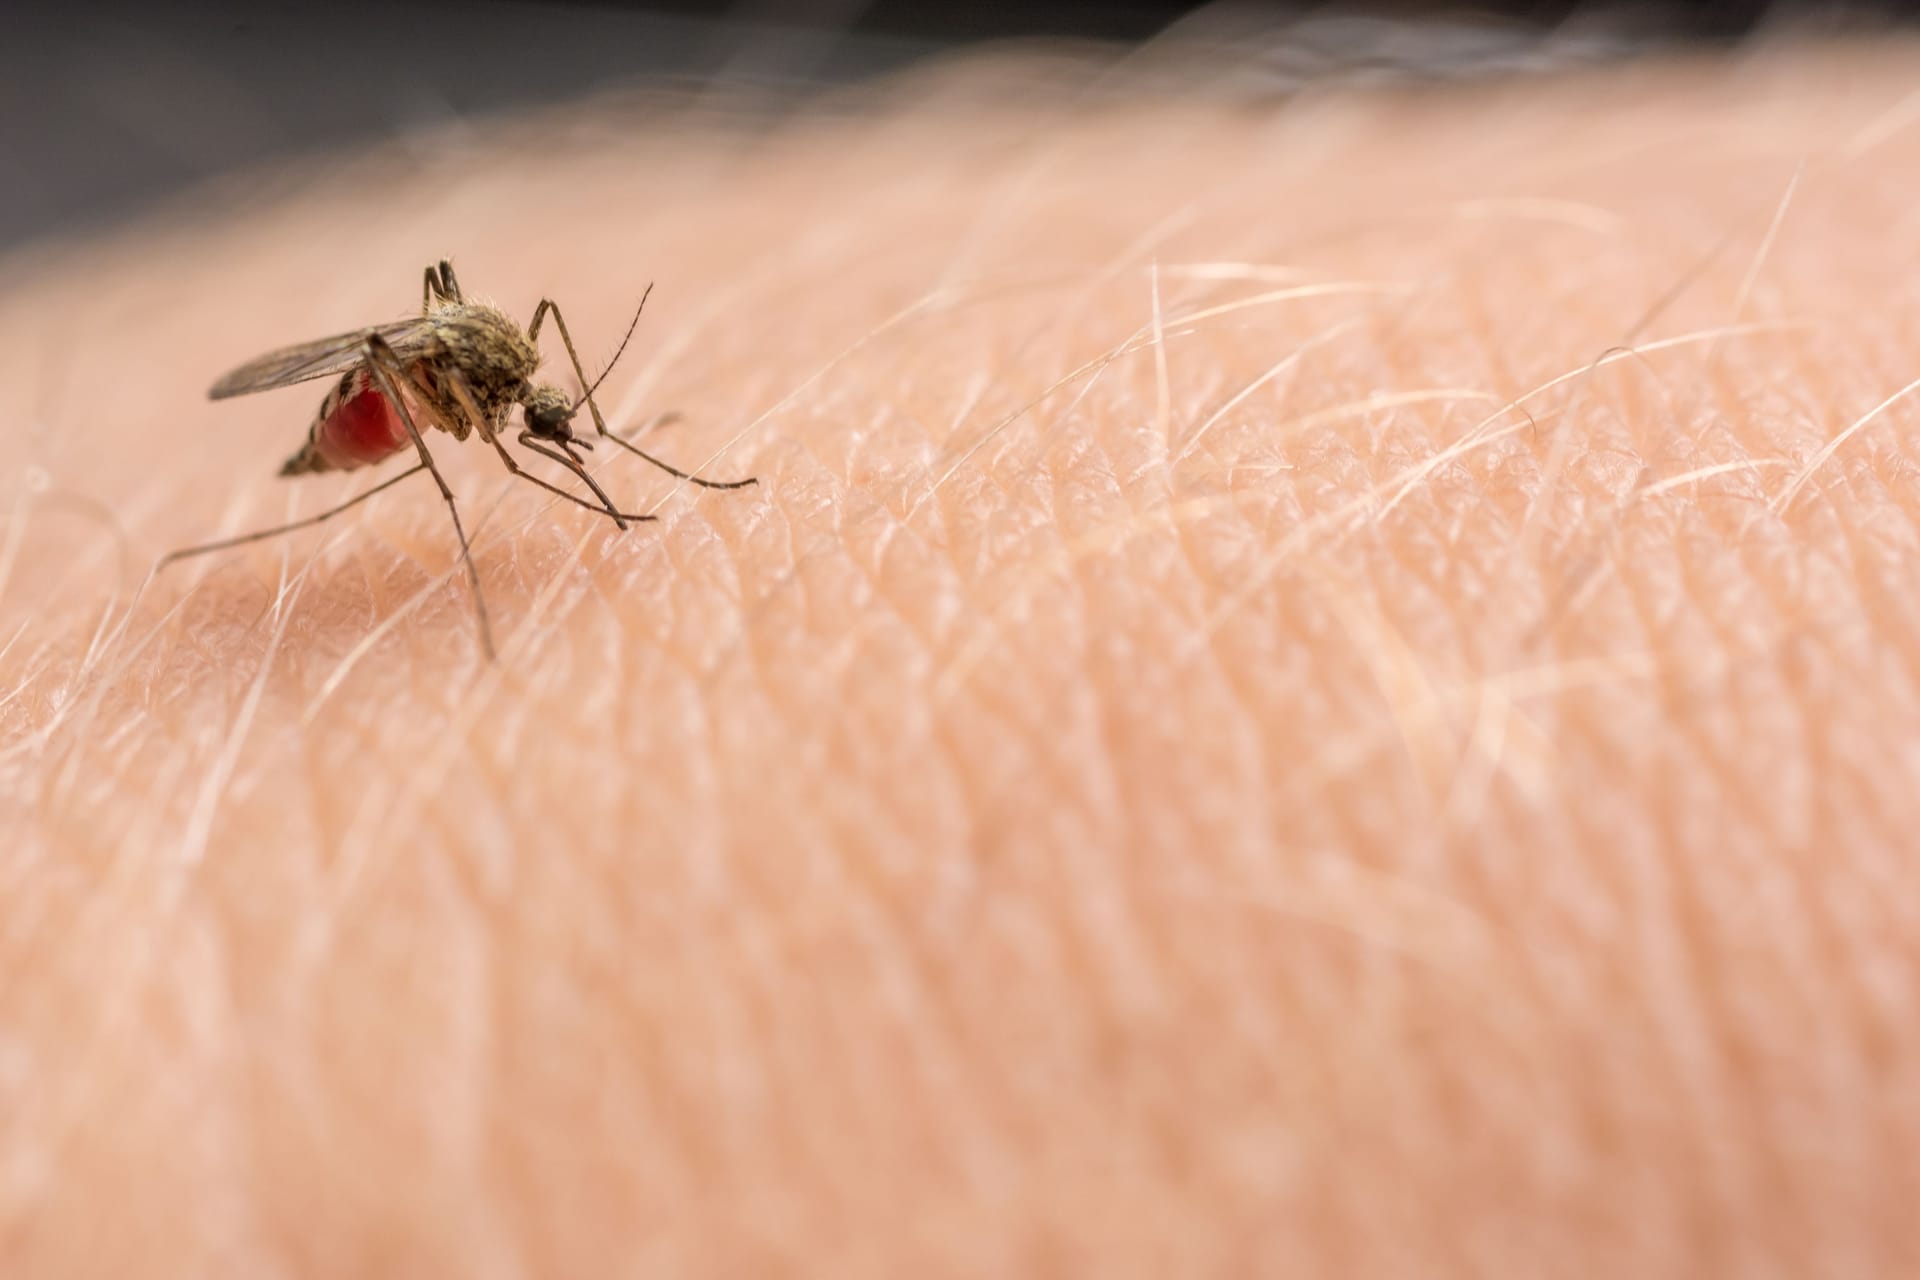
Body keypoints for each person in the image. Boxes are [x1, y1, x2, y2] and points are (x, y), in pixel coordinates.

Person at [2, 40, 1916, 1276]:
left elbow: (529, 377)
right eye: (559, 418)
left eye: (558, 417)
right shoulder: (448, 383)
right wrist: (400, 447)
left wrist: (613, 453)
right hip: (367, 410)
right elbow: (439, 376)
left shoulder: (528, 374)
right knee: (404, 455)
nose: (551, 415)